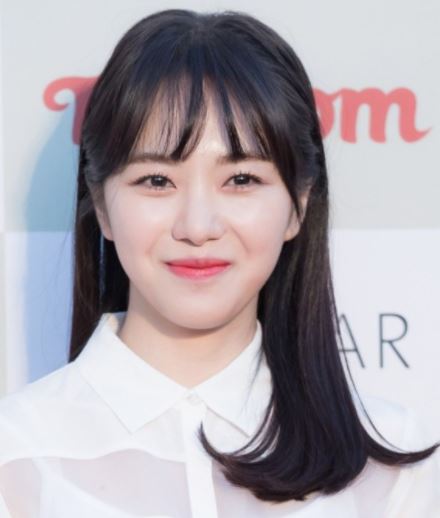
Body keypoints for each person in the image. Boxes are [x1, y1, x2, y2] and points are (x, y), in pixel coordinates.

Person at [0, 8, 439, 518]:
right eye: (157, 181)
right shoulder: (17, 456)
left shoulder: (391, 467)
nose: (198, 225)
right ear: (101, 205)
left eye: (241, 180)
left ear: (298, 204)